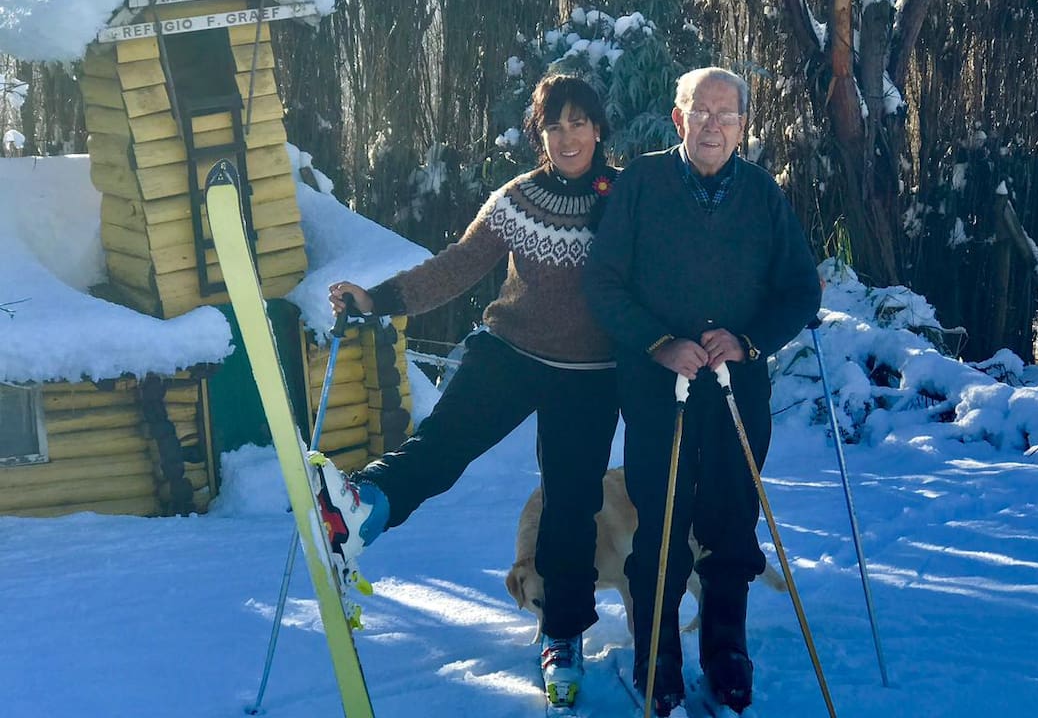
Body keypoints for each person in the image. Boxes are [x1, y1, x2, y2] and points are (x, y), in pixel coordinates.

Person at [320, 74, 620, 709]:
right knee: (445, 442)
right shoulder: (517, 199)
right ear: (540, 134)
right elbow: (457, 265)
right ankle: (366, 504)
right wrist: (380, 300)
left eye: (577, 122)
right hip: (510, 351)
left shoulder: (626, 199)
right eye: (553, 124)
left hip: (592, 376)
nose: (566, 136)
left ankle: (562, 637)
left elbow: (668, 270)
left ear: (598, 128)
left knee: (571, 504)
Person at [582, 67, 821, 716]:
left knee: (730, 525)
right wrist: (660, 342)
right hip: (660, 387)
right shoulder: (641, 185)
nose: (713, 125)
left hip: (738, 392)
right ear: (678, 117)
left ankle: (726, 652)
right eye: (701, 111)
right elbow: (603, 282)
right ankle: (655, 658)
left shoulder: (763, 195)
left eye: (727, 114)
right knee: (658, 524)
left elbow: (801, 290)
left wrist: (749, 340)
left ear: (743, 126)